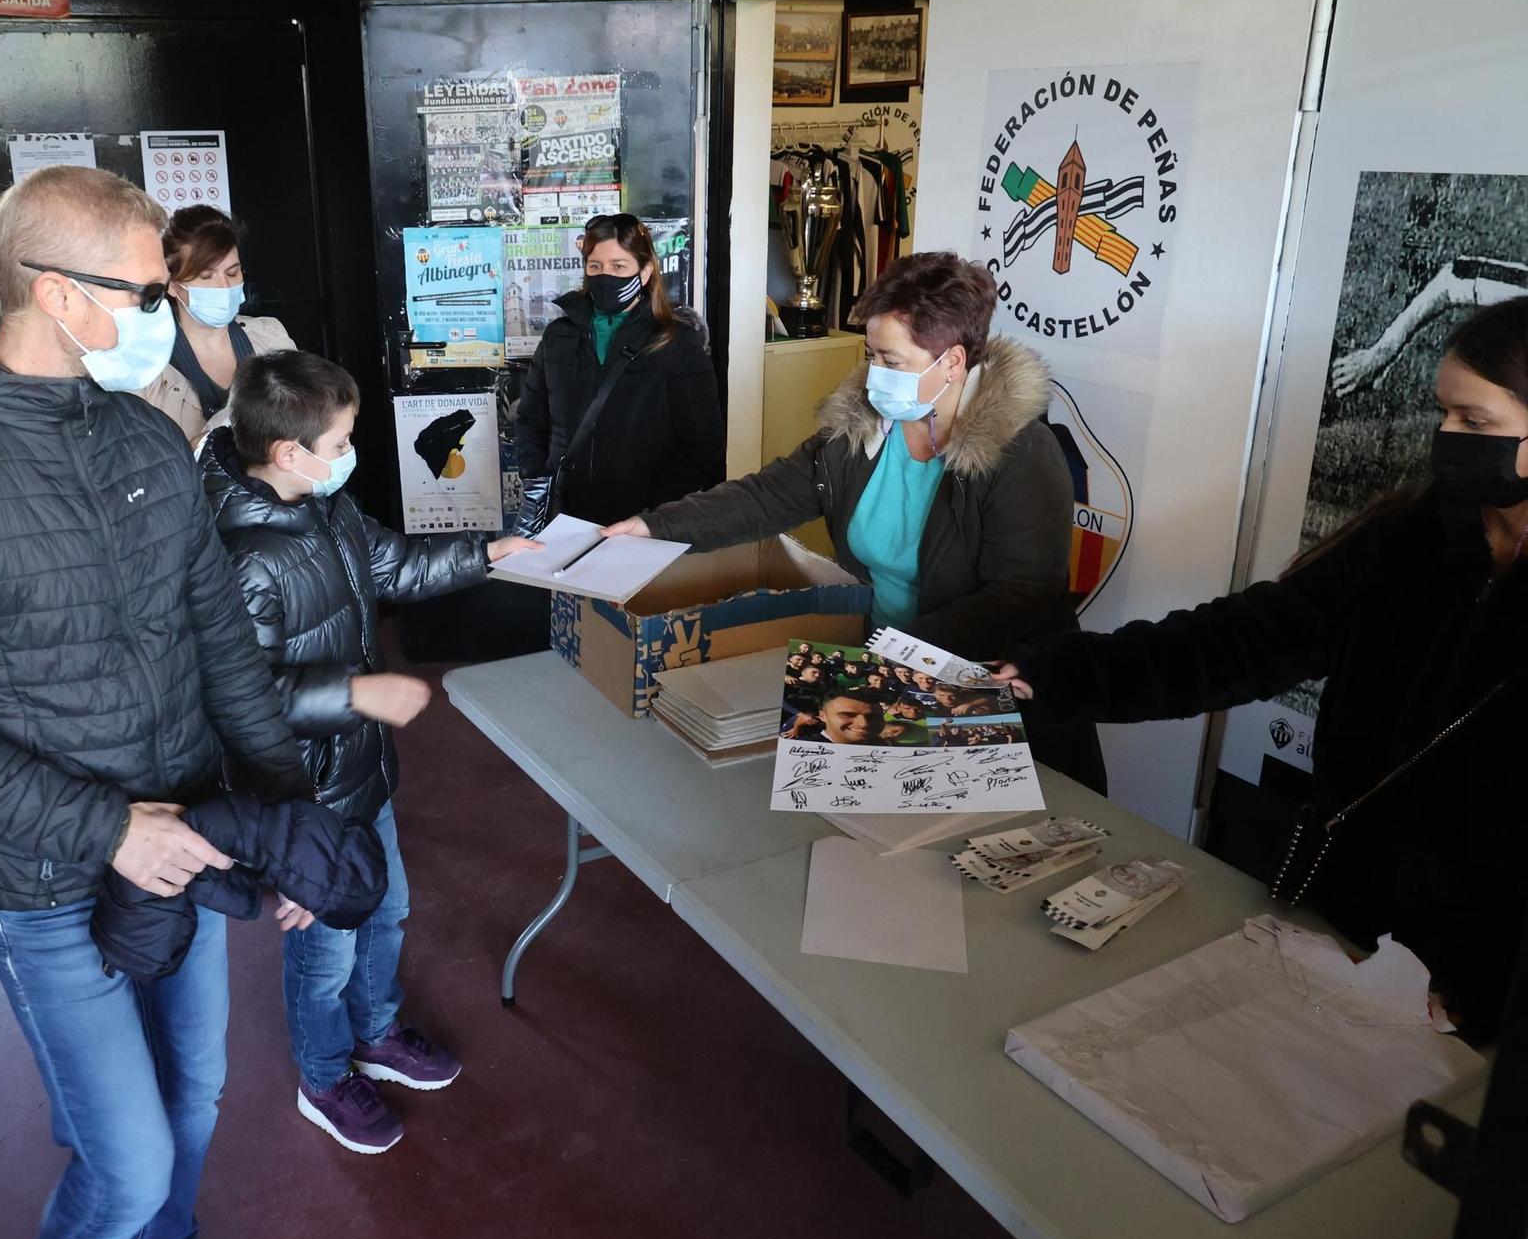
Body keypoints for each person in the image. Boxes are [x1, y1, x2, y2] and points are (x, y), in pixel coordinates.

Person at [0, 165, 343, 1239]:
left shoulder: (146, 442)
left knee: (194, 1100)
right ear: (58, 294)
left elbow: (218, 641)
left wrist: (290, 817)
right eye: (144, 292)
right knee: (126, 1166)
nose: (162, 313)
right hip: (46, 887)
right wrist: (110, 829)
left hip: (188, 844)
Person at [995, 296, 1528, 1041]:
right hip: (1334, 918)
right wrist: (1067, 671)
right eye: (1443, 414)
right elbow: (1241, 642)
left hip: (1470, 995)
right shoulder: (1408, 541)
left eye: (1475, 424)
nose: (1445, 440)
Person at [199, 349, 540, 1154]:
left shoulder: (325, 504)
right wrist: (355, 695)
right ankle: (323, 1075)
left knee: (385, 914)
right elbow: (242, 701)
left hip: (361, 772)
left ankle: (377, 1031)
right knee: (324, 947)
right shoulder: (245, 557)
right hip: (303, 802)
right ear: (289, 452)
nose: (351, 451)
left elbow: (388, 563)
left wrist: (485, 553)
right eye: (343, 437)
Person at [604, 251, 1105, 793]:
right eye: (871, 356)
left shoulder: (1022, 454)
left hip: (987, 692)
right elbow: (764, 497)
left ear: (954, 362)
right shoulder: (859, 432)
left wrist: (889, 656)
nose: (875, 377)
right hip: (883, 676)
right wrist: (654, 526)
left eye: (893, 362)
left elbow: (1021, 595)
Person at [515, 212, 724, 526]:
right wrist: (538, 479)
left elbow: (702, 446)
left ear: (645, 271)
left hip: (642, 525)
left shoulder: (678, 344)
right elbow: (531, 419)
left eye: (619, 266)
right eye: (595, 266)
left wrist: (651, 510)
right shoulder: (559, 336)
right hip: (564, 518)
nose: (605, 276)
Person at [138, 206, 297, 446]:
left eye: (232, 273)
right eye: (206, 277)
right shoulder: (144, 367)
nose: (223, 286)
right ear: (171, 284)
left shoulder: (271, 336)